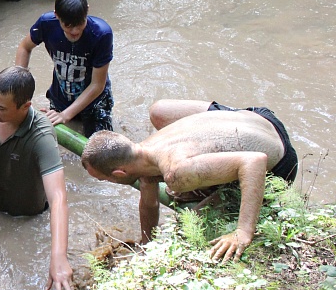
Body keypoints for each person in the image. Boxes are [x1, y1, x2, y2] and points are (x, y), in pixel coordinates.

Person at [80, 99, 299, 263]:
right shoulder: (143, 151)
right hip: (258, 118)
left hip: (280, 159)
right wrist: (146, 243)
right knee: (160, 110)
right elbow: (149, 201)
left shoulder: (177, 173)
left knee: (195, 215)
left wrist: (243, 231)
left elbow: (254, 161)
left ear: (119, 173)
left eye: (104, 179)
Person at [0, 66, 74, 290]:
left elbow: (58, 198)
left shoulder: (41, 135)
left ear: (25, 107)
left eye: (1, 108)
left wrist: (58, 256)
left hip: (23, 211)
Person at [15, 0, 114, 138]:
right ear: (57, 15)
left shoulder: (101, 34)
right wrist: (19, 85)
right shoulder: (47, 23)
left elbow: (97, 85)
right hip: (60, 97)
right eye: (67, 25)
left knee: (100, 148)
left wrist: (66, 115)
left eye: (80, 23)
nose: (74, 31)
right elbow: (24, 47)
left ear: (87, 11)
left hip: (95, 102)